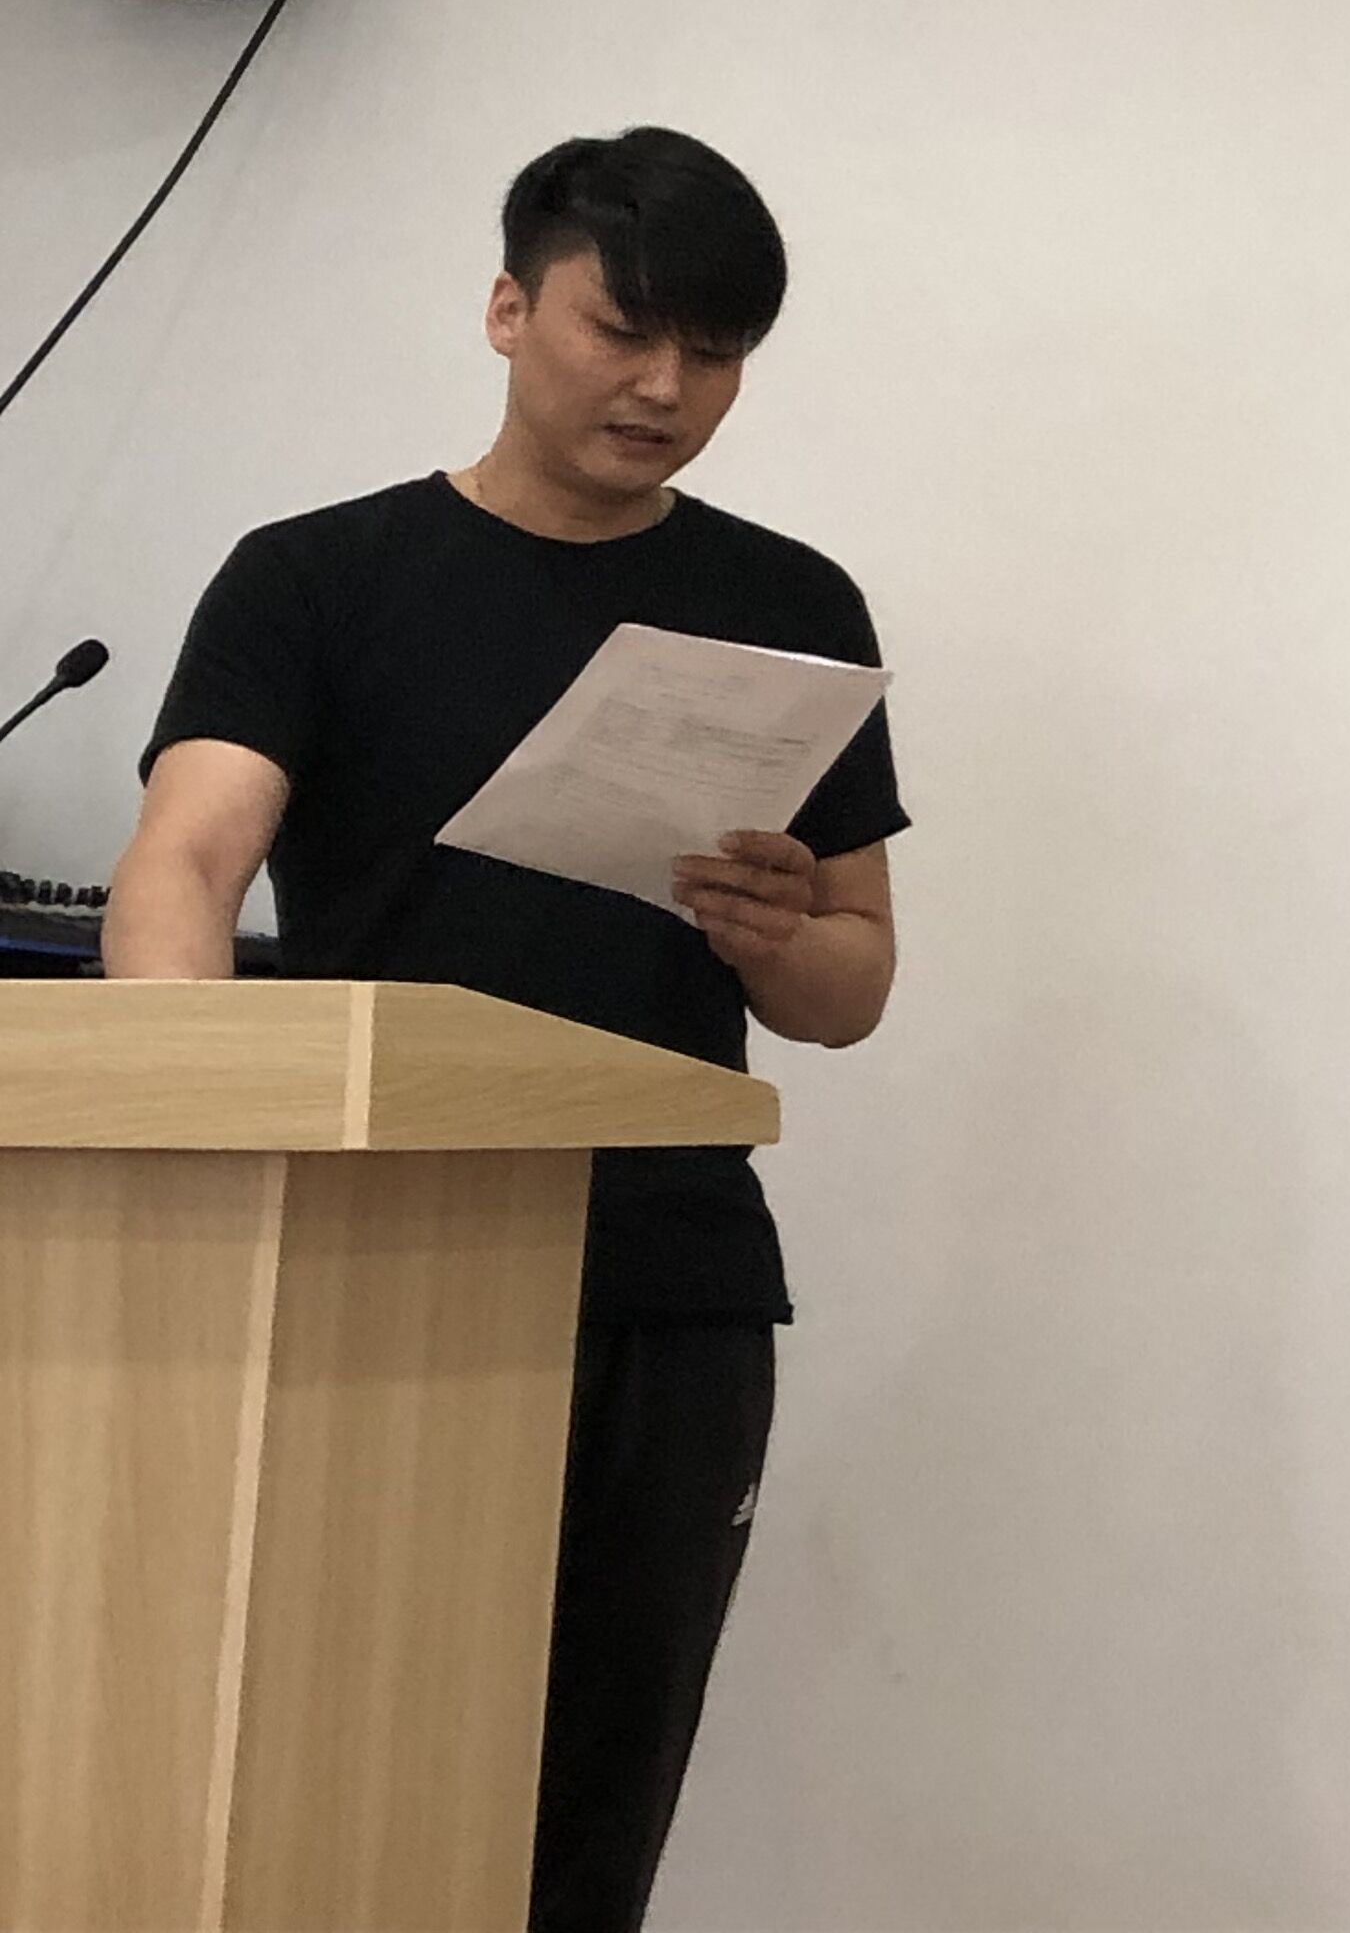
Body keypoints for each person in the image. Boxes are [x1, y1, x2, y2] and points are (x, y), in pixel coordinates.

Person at [102, 127, 904, 1933]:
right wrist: (193, 1150)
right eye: (625, 330)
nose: (665, 387)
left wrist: (778, 936)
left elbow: (853, 984)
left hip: (667, 1276)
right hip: (369, 1266)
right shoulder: (318, 579)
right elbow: (187, 863)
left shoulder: (791, 608)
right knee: (321, 1787)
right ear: (507, 310)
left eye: (714, 353)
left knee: (587, 1816)